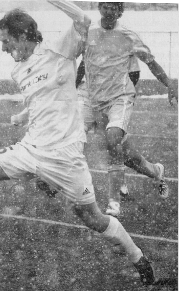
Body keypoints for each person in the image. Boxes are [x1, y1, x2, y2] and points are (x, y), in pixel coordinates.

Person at [0, 1, 155, 286]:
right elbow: (42, 100)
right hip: (30, 149)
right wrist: (22, 115)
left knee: (93, 218)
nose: (3, 48)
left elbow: (83, 18)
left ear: (23, 36)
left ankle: (139, 258)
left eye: (6, 41)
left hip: (65, 157)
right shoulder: (18, 71)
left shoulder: (59, 49)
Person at [80, 2, 177, 216]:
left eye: (113, 8)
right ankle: (155, 171)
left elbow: (150, 62)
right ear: (99, 8)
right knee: (126, 154)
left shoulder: (128, 36)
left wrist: (169, 84)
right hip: (94, 99)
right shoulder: (89, 32)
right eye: (105, 6)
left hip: (120, 98)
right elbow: (81, 62)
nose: (109, 11)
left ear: (120, 12)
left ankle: (113, 201)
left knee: (113, 140)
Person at [76, 56, 140, 199]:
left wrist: (119, 94)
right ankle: (78, 186)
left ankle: (151, 173)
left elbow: (134, 74)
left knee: (116, 146)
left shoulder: (124, 42)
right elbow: (82, 66)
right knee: (75, 138)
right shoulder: (92, 40)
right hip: (88, 97)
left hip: (110, 100)